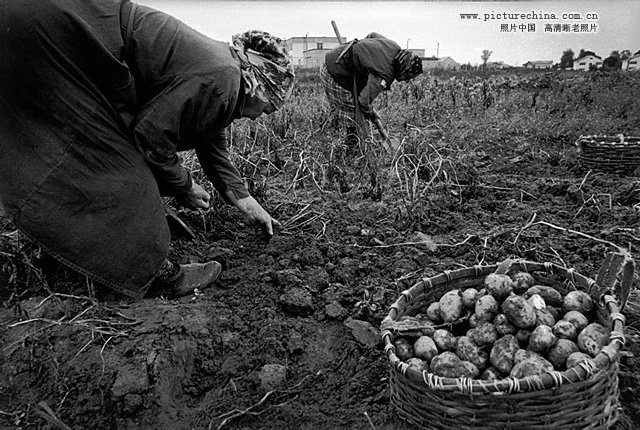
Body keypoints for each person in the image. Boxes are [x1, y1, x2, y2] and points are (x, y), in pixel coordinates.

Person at [0, 0, 294, 299]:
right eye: (269, 107)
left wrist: (247, 202)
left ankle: (77, 242)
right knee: (119, 167)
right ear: (257, 84)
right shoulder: (223, 78)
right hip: (64, 34)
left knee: (85, 152)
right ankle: (157, 272)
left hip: (46, 21)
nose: (263, 115)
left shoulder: (225, 72)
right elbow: (151, 137)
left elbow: (211, 140)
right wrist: (186, 186)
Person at [320, 32, 423, 146]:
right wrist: (372, 114)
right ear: (403, 69)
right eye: (408, 77)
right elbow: (363, 101)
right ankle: (351, 145)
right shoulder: (384, 74)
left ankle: (334, 131)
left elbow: (372, 35)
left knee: (346, 109)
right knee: (353, 112)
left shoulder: (393, 46)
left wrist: (362, 55)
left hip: (335, 56)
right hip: (335, 70)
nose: (407, 80)